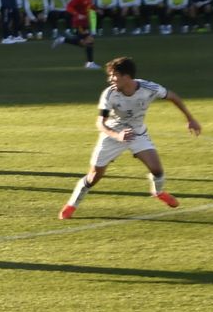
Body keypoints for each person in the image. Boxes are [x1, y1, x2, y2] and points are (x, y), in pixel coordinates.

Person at [59, 56, 201, 220]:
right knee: (93, 177)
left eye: (113, 75)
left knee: (157, 170)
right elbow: (100, 123)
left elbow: (173, 97)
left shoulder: (149, 88)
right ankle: (71, 205)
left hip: (137, 133)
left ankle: (158, 192)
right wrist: (117, 135)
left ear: (126, 77)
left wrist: (190, 119)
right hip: (112, 134)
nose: (110, 79)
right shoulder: (110, 94)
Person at [52, 0, 100, 69]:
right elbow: (69, 7)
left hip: (86, 22)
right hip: (79, 23)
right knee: (89, 40)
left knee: (83, 43)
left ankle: (63, 40)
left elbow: (88, 5)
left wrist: (95, 9)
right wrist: (77, 15)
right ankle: (90, 63)